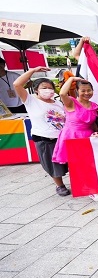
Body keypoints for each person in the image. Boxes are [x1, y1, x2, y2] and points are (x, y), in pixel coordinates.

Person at [13, 67, 69, 196]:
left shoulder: (58, 103)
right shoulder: (30, 100)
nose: (48, 90)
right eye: (44, 87)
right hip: (44, 138)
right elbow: (17, 84)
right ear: (36, 89)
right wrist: (33, 70)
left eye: (50, 87)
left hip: (61, 138)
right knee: (51, 163)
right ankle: (60, 185)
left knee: (66, 163)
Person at [52, 76, 98, 202]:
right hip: (72, 136)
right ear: (77, 91)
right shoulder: (71, 102)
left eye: (89, 90)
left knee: (90, 164)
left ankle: (93, 186)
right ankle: (89, 189)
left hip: (88, 135)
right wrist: (72, 78)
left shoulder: (94, 106)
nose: (86, 93)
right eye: (83, 90)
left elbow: (92, 123)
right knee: (78, 165)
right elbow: (62, 93)